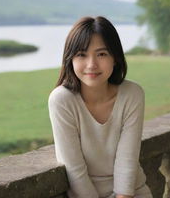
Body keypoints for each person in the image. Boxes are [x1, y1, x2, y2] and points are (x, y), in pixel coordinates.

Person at [48, 16, 153, 198]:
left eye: (102, 54)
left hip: (132, 193)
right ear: (70, 59)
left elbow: (127, 160)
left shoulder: (132, 94)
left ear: (115, 58)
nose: (92, 65)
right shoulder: (62, 100)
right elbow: (74, 168)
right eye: (82, 54)